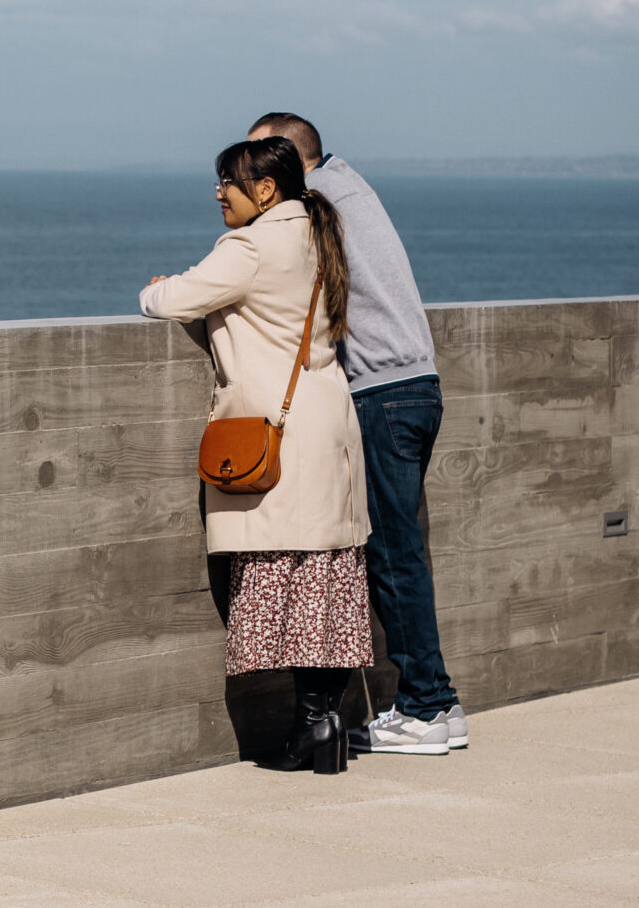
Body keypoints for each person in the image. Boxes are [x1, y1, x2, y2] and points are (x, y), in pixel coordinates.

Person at [142, 136, 372, 774]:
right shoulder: (315, 231)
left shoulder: (251, 245)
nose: (218, 193)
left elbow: (171, 299)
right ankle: (322, 725)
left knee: (280, 573)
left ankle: (312, 728)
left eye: (227, 182)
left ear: (265, 190)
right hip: (327, 422)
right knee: (324, 579)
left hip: (278, 430)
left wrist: (155, 289)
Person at [249, 112, 463, 756]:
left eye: (259, 160)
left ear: (292, 158)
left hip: (380, 395)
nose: (249, 174)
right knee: (405, 554)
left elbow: (272, 275)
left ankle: (423, 708)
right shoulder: (351, 188)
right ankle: (438, 703)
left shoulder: (312, 203)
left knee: (393, 558)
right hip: (418, 386)